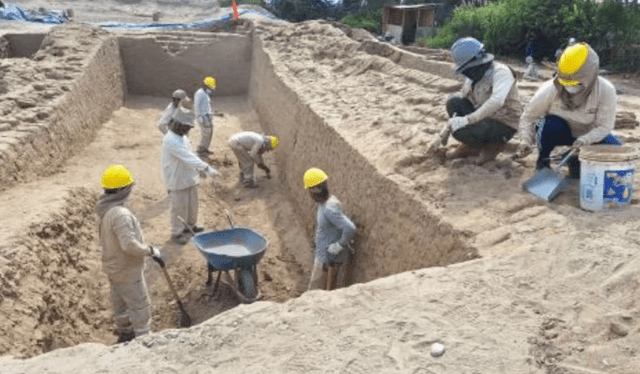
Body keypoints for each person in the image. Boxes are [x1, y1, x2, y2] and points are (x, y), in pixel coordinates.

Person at [517, 42, 621, 178]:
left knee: (616, 150)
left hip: (589, 134)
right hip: (559, 131)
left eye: (575, 84)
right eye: (565, 83)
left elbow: (605, 126)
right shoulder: (551, 88)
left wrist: (585, 140)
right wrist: (525, 140)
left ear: (589, 77)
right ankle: (543, 161)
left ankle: (574, 160)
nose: (569, 88)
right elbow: (529, 116)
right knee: (550, 125)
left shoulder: (606, 90)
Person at [96, 164, 164, 343]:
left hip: (113, 268)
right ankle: (143, 342)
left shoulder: (106, 210)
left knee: (120, 304)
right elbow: (129, 245)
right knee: (140, 308)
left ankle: (125, 335)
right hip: (127, 271)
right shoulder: (120, 215)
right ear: (122, 190)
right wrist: (149, 250)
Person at [431, 37, 523, 164]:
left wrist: (467, 120)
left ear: (476, 63)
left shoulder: (501, 72)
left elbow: (497, 101)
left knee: (460, 130)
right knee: (454, 102)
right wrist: (444, 132)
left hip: (503, 123)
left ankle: (493, 147)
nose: (465, 74)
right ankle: (471, 146)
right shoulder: (473, 78)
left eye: (466, 69)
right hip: (483, 117)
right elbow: (463, 102)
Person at [162, 107, 220, 244]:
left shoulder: (183, 138)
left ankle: (190, 226)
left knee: (192, 204)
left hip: (189, 177)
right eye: (187, 127)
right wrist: (206, 168)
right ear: (180, 125)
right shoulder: (171, 140)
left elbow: (191, 154)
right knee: (179, 207)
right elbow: (187, 156)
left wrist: (198, 170)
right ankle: (177, 233)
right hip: (177, 179)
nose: (189, 130)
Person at [303, 168, 356, 291]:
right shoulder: (324, 202)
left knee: (316, 291)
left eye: (310, 192)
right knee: (323, 288)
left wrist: (339, 245)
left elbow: (350, 228)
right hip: (323, 254)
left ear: (314, 191)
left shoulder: (329, 208)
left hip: (327, 258)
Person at [193, 76, 216, 158]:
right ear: (206, 85)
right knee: (205, 134)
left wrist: (211, 114)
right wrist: (198, 117)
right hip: (203, 117)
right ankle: (201, 150)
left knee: (209, 133)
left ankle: (206, 149)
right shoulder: (200, 93)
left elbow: (206, 105)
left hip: (208, 116)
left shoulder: (206, 93)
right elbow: (196, 106)